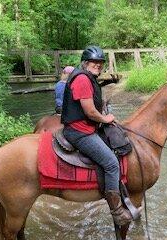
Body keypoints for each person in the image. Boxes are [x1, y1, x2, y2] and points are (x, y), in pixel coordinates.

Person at [61, 46, 132, 226]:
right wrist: (105, 118)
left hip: (85, 127)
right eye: (94, 62)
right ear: (85, 63)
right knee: (111, 163)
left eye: (100, 63)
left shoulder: (87, 77)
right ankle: (117, 212)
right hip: (79, 131)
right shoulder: (83, 79)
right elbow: (90, 112)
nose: (98, 65)